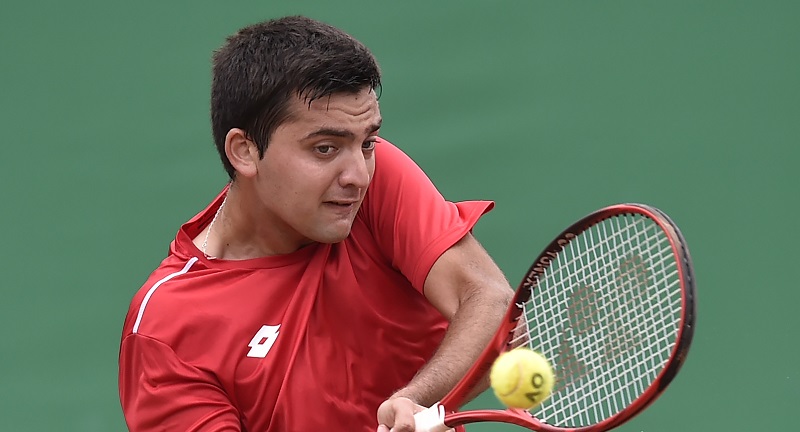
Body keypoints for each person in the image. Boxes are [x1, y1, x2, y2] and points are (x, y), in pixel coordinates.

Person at [118, 15, 514, 432]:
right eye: (325, 148)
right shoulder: (166, 332)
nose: (357, 176)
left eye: (367, 142)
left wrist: (413, 400)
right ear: (245, 151)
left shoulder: (374, 183)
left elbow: (490, 303)